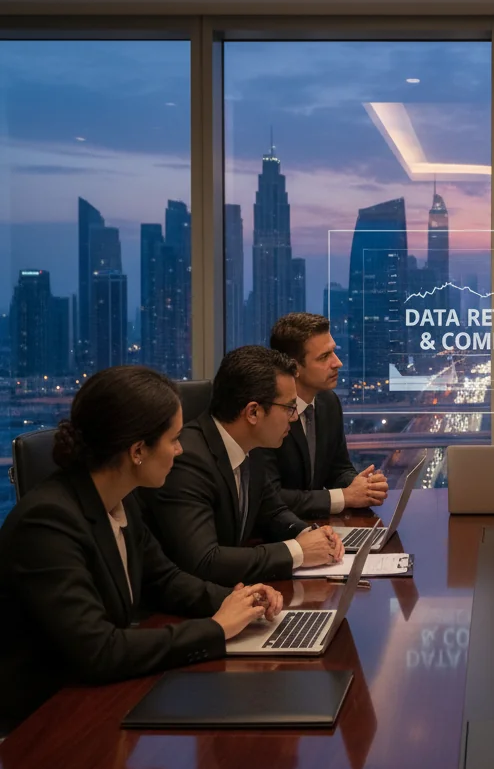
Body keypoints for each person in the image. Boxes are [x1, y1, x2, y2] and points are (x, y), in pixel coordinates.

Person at [0, 366, 285, 734]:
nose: (180, 450)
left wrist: (239, 600)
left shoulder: (120, 499)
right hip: (42, 724)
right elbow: (100, 651)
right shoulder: (47, 523)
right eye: (174, 439)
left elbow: (164, 580)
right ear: (137, 451)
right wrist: (215, 629)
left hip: (97, 700)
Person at [142, 346, 342, 586]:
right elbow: (204, 561)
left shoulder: (251, 446)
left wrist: (308, 534)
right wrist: (297, 552)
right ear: (253, 412)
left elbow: (273, 512)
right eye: (289, 407)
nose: (293, 417)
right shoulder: (186, 460)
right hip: (183, 610)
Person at [264, 312, 388, 518]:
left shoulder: (328, 402)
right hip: (270, 535)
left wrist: (362, 486)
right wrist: (345, 497)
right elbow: (270, 497)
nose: (337, 363)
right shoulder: (268, 413)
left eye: (333, 352)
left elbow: (338, 469)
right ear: (294, 367)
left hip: (318, 527)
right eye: (324, 357)